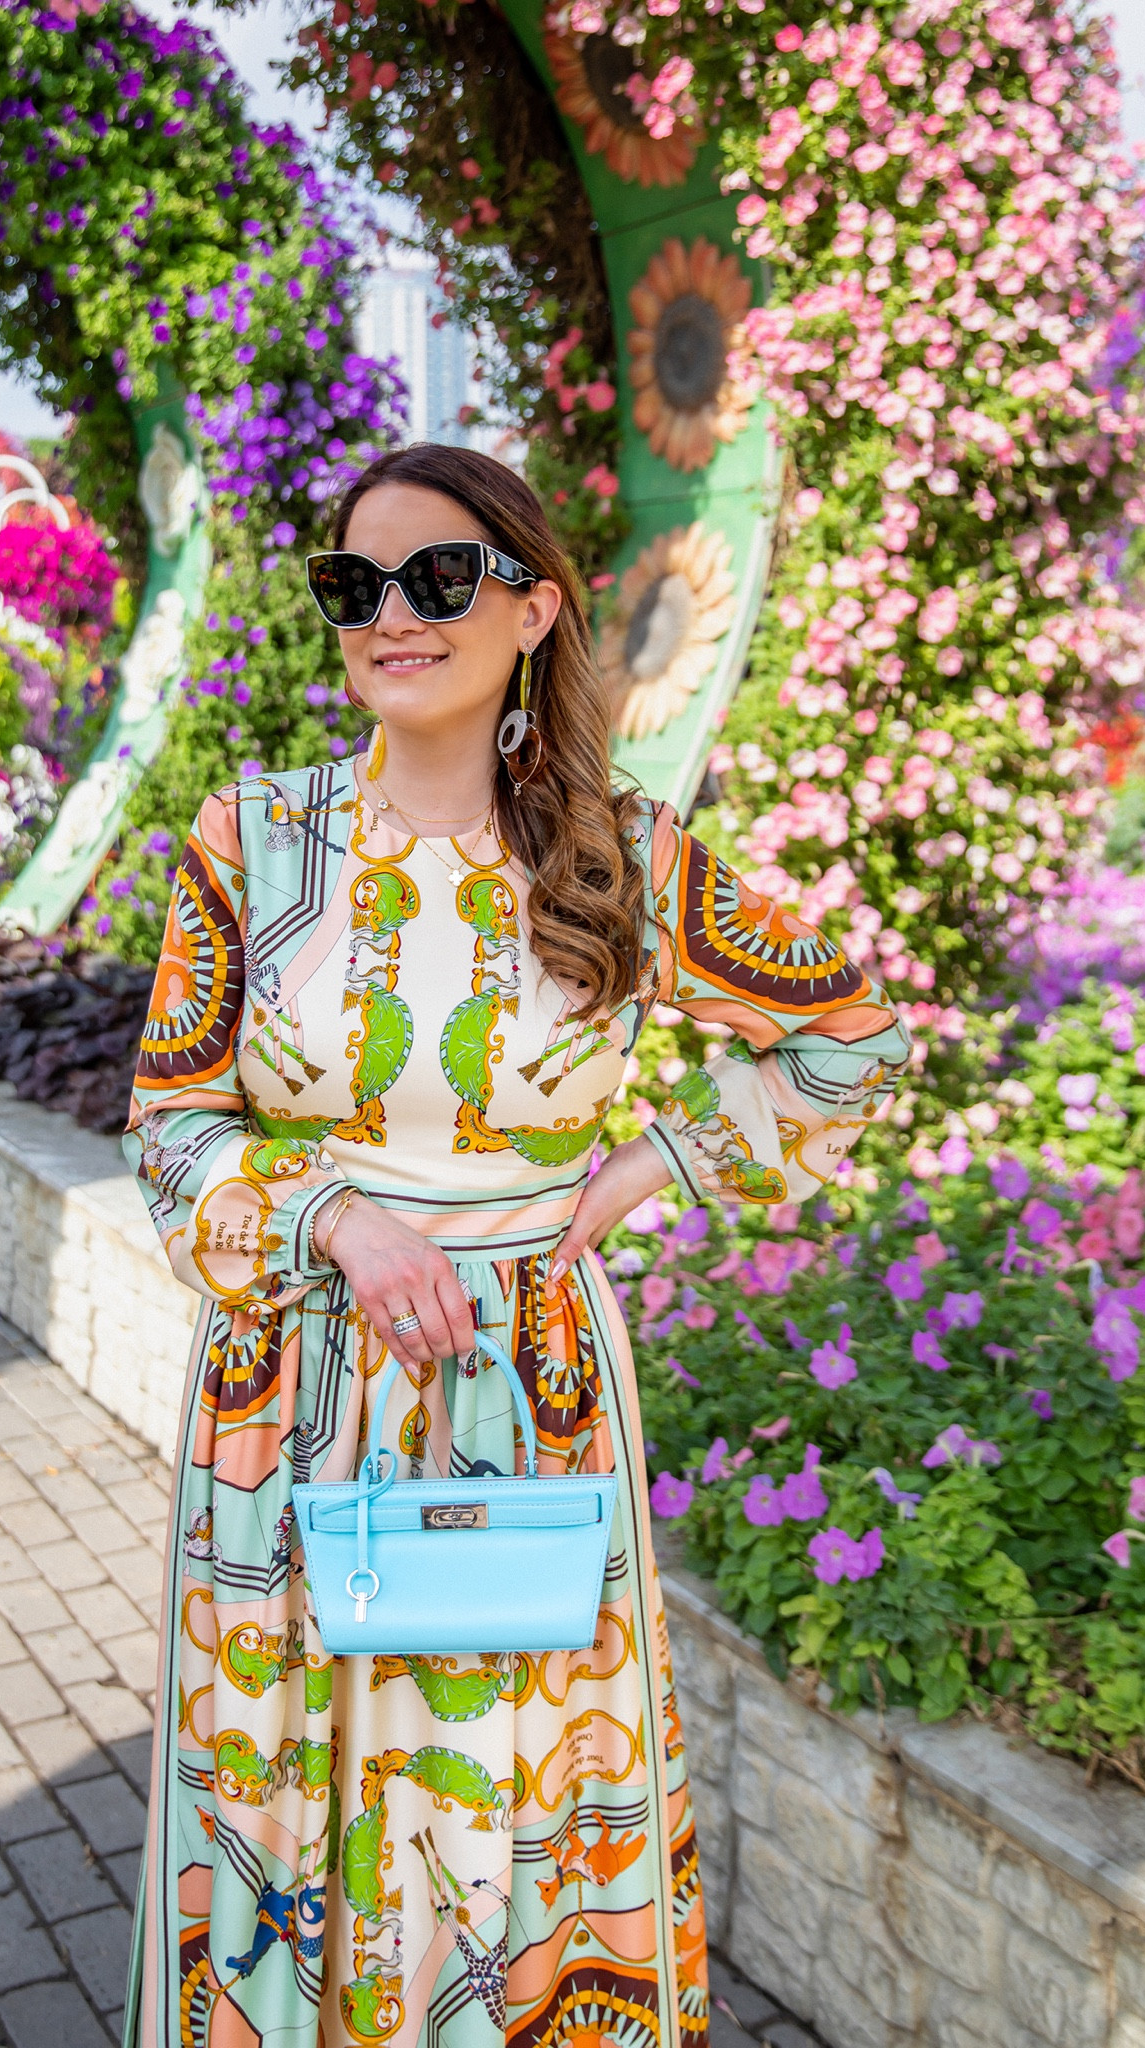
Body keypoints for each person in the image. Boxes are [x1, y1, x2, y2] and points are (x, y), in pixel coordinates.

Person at [120, 444, 915, 2048]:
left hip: (527, 1387)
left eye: (438, 578)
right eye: (355, 585)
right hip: (294, 1390)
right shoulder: (250, 840)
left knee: (512, 1803)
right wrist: (336, 1218)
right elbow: (168, 1122)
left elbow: (851, 1038)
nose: (391, 616)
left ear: (534, 608)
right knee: (284, 1787)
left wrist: (647, 1171)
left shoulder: (620, 852)